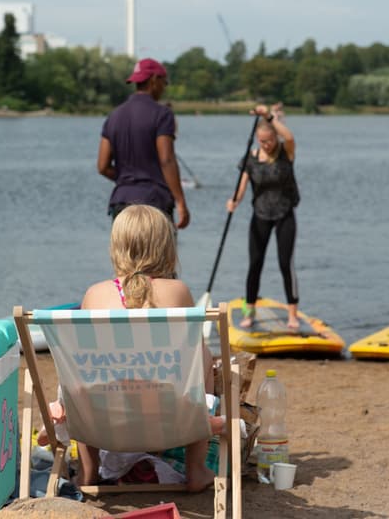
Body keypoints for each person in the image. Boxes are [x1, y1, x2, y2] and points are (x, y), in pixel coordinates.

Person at [43, 205, 217, 492]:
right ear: (167, 247)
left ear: (116, 247)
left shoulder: (95, 294)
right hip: (171, 418)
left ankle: (88, 472)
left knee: (81, 374)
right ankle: (196, 469)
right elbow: (192, 359)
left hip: (102, 419)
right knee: (204, 356)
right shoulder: (177, 291)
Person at [226, 103, 300, 329]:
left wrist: (269, 116)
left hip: (284, 214)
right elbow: (242, 185)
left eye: (268, 140)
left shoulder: (286, 153)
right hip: (260, 215)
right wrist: (234, 201)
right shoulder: (251, 158)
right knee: (255, 263)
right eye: (261, 141)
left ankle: (292, 316)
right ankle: (249, 312)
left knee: (285, 263)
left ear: (275, 138)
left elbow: (289, 136)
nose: (265, 145)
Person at [97, 58, 190, 229]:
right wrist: (180, 201)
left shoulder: (114, 116)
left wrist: (128, 180)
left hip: (121, 203)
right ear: (154, 80)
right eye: (164, 82)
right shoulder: (162, 114)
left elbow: (102, 166)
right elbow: (166, 160)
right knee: (156, 255)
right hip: (154, 202)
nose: (164, 88)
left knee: (125, 255)